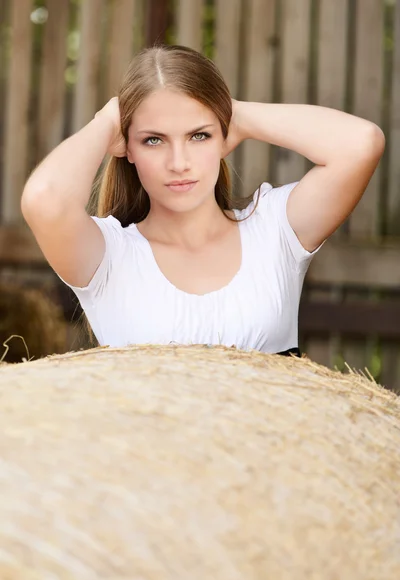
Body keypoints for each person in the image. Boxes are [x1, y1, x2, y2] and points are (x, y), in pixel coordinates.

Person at [21, 44, 385, 357]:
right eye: (153, 140)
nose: (179, 163)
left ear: (224, 137)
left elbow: (361, 143)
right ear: (126, 147)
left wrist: (235, 114)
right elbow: (44, 200)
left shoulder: (274, 229)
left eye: (199, 135)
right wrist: (106, 121)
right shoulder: (106, 256)